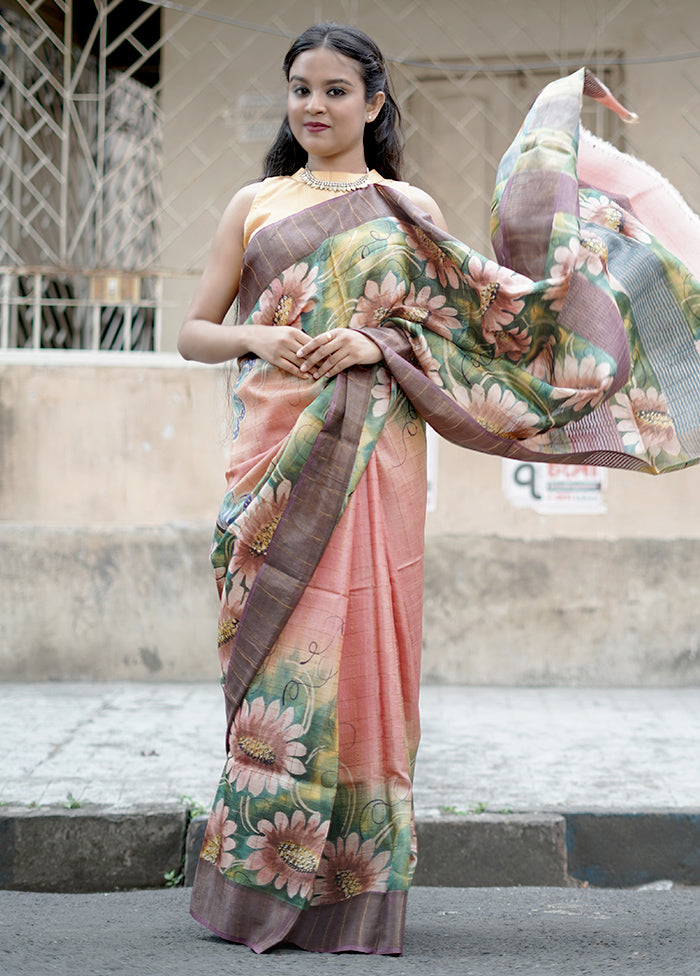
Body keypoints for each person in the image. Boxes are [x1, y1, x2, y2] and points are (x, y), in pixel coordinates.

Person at [179, 23, 700, 955]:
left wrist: (376, 342)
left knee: (360, 655)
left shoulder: (406, 207)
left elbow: (479, 329)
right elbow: (193, 331)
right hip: (269, 456)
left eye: (337, 90)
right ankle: (260, 884)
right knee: (274, 666)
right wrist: (258, 338)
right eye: (301, 88)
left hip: (373, 456)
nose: (314, 106)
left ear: (374, 103)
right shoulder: (254, 205)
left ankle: (348, 893)